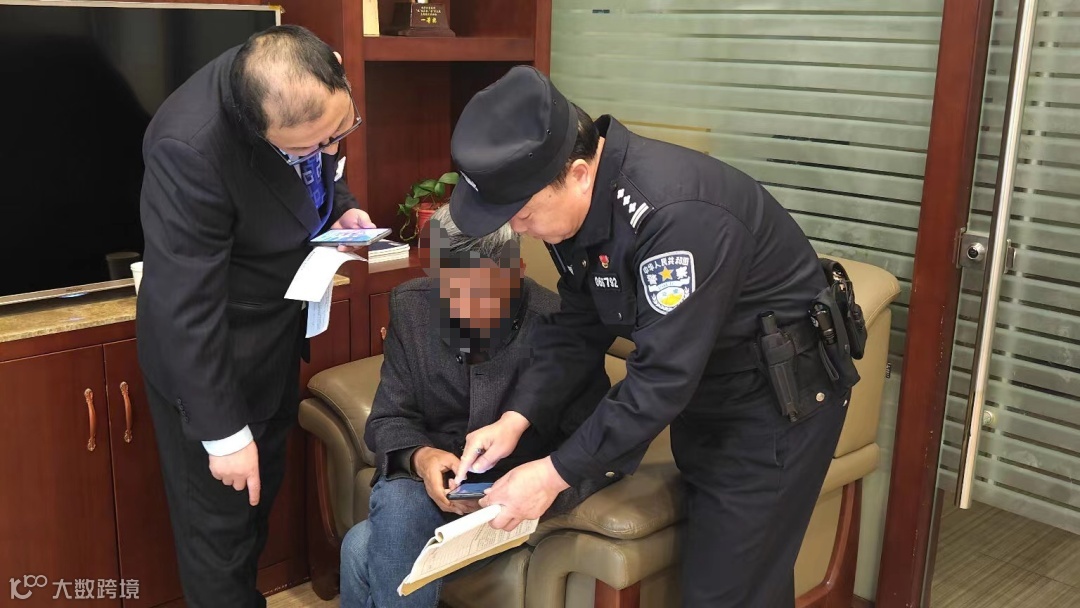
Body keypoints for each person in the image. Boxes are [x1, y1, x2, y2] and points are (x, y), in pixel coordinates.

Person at [447, 66, 861, 607]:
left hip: (774, 405)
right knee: (746, 581)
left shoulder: (675, 216)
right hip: (707, 391)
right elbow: (578, 324)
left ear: (577, 174)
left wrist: (552, 474)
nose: (519, 230)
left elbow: (662, 378)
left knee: (725, 594)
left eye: (523, 214)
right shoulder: (580, 207)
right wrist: (517, 417)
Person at [137, 26, 374, 608]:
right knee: (219, 538)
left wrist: (338, 211)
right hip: (213, 361)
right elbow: (185, 306)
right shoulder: (188, 148)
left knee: (253, 514)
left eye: (338, 132)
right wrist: (223, 435)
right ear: (255, 130)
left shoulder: (306, 76)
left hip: (273, 337)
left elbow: (321, 168)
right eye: (305, 149)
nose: (329, 150)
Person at [340, 207, 617, 607]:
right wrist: (421, 457)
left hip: (509, 504)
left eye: (480, 294)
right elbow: (389, 417)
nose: (462, 309)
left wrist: (526, 491)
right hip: (427, 491)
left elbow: (595, 448)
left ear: (517, 271)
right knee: (394, 506)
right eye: (448, 291)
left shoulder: (561, 329)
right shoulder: (412, 307)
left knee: (359, 546)